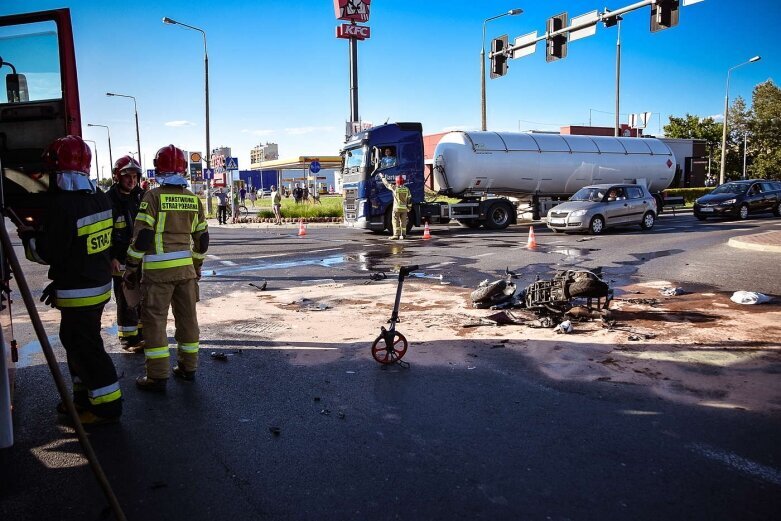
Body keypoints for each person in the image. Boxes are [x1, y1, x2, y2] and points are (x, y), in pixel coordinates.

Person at [21, 135, 122, 425]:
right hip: (96, 285)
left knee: (86, 346)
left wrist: (30, 240)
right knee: (75, 341)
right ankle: (84, 397)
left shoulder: (62, 205)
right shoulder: (100, 197)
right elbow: (87, 246)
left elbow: (49, 253)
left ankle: (107, 407)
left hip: (81, 290)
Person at [124, 144, 209, 392]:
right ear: (183, 169)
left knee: (154, 322)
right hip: (186, 273)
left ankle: (158, 376)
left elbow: (142, 238)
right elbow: (202, 240)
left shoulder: (152, 197)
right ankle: (188, 368)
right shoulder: (194, 200)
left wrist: (131, 266)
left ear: (158, 168)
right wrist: (196, 265)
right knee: (188, 320)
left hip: (158, 275)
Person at [107, 155, 145, 352]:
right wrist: (111, 256)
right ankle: (128, 339)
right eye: (127, 176)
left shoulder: (142, 196)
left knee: (142, 297)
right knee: (125, 298)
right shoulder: (109, 200)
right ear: (117, 177)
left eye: (134, 176)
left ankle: (141, 334)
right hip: (120, 258)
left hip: (140, 256)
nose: (131, 181)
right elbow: (106, 231)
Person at [378, 174, 411, 240]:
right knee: (403, 222)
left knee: (395, 222)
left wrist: (382, 177)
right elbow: (409, 199)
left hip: (396, 208)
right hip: (404, 209)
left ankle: (396, 235)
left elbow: (387, 184)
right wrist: (409, 208)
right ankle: (403, 235)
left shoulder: (395, 188)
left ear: (397, 182)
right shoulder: (407, 189)